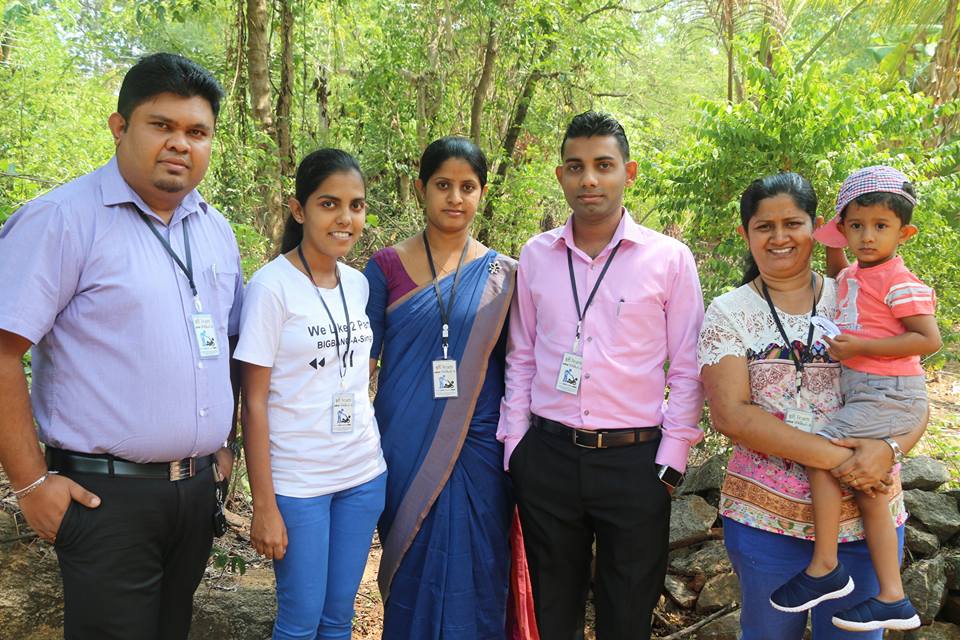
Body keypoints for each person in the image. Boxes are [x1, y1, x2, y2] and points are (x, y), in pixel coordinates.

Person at [0, 53, 242, 640]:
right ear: (119, 126)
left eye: (197, 132)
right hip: (104, 496)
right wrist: (31, 485)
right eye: (162, 125)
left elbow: (226, 343)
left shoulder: (214, 229)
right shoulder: (62, 219)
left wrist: (223, 446)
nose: (180, 144)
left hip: (194, 492)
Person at [497, 111, 706, 639]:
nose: (589, 179)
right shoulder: (536, 255)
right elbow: (522, 355)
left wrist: (671, 461)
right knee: (552, 613)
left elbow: (687, 367)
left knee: (627, 615)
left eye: (603, 165)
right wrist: (516, 446)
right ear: (561, 175)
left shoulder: (669, 259)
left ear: (628, 173)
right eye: (576, 166)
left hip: (636, 463)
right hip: (547, 458)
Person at [697, 171, 928, 639]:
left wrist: (890, 450)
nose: (780, 237)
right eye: (765, 226)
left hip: (867, 518)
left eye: (793, 223)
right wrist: (842, 460)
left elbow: (909, 390)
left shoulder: (857, 292)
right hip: (766, 522)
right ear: (745, 233)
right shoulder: (729, 312)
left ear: (817, 227)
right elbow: (732, 415)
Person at [768, 166, 939, 631]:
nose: (867, 237)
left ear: (904, 233)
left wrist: (862, 346)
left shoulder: (899, 280)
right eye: (857, 226)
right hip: (868, 394)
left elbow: (928, 339)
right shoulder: (854, 274)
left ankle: (825, 565)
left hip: (889, 392)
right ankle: (893, 596)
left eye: (881, 226)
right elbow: (837, 271)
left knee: (820, 453)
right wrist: (830, 238)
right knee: (870, 491)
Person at [365, 136, 519, 639]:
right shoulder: (385, 268)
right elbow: (362, 366)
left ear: (482, 193)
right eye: (443, 185)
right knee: (411, 558)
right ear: (420, 189)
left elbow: (517, 368)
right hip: (404, 440)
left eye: (467, 187)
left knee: (479, 564)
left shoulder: (503, 275)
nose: (455, 197)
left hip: (479, 446)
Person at [235, 148, 387, 640]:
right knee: (299, 623)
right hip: (298, 482)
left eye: (356, 205)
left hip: (362, 474)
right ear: (299, 210)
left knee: (337, 620)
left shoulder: (358, 284)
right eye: (329, 204)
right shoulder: (271, 287)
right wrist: (264, 504)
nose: (345, 218)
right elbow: (253, 403)